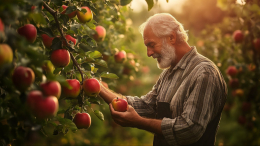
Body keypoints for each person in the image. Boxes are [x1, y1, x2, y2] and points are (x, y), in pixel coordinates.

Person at [99, 13, 227, 146]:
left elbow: (190, 130)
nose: (149, 53)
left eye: (152, 44)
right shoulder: (168, 75)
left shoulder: (204, 73)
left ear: (171, 37)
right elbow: (145, 106)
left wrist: (139, 122)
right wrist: (99, 88)